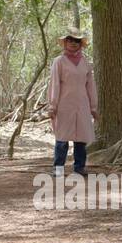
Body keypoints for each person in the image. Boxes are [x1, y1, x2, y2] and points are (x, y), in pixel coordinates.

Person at [47, 27, 98, 177]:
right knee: (62, 138)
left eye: (76, 41)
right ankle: (58, 169)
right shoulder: (59, 61)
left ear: (81, 44)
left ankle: (79, 167)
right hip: (64, 104)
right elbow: (55, 84)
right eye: (70, 40)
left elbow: (90, 85)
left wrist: (93, 107)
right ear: (65, 42)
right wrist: (52, 105)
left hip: (82, 104)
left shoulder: (85, 62)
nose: (73, 43)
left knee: (81, 138)